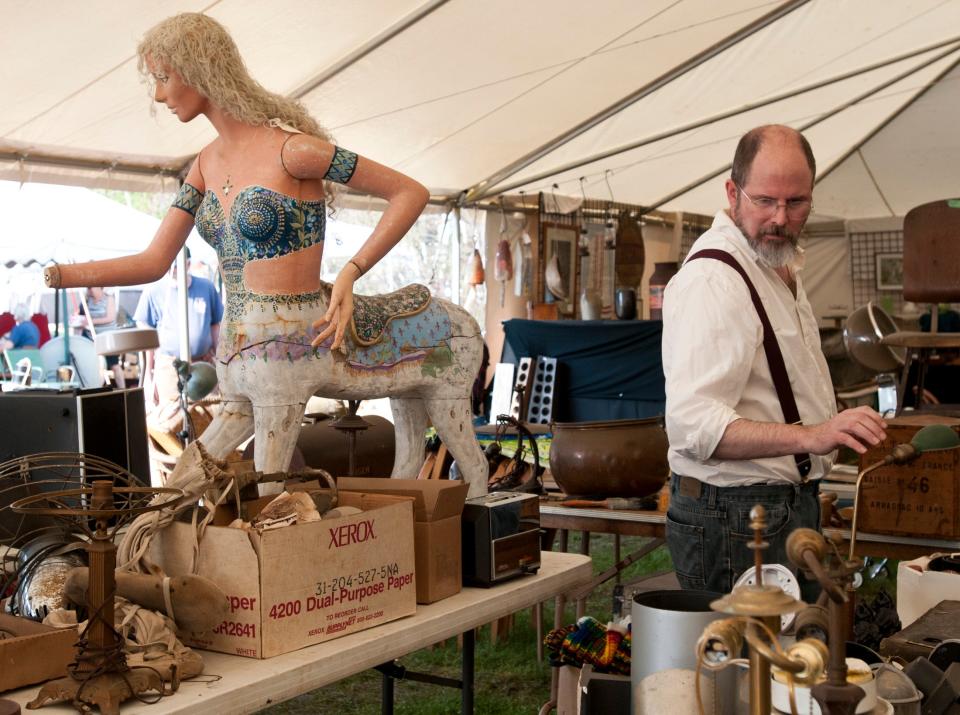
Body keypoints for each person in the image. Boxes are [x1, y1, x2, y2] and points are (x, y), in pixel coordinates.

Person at [41, 13, 430, 465]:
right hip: (237, 343)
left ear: (200, 69)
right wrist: (62, 274)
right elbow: (154, 260)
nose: (159, 94)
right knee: (192, 468)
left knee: (268, 478)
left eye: (165, 77)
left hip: (292, 337)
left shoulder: (294, 150)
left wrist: (350, 272)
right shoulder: (205, 163)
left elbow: (409, 192)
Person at [661, 124, 887, 595]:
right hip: (735, 518)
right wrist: (814, 435)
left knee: (788, 661)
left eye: (796, 202)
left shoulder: (776, 261)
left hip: (779, 506)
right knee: (748, 666)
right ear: (732, 191)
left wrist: (834, 424)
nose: (780, 218)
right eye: (765, 200)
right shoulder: (713, 279)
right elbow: (695, 426)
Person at [135, 248, 223, 407]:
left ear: (187, 264)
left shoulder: (206, 288)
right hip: (169, 366)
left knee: (208, 411)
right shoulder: (154, 291)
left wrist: (220, 359)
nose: (172, 269)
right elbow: (146, 331)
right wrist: (149, 374)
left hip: (203, 364)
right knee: (172, 414)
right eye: (169, 265)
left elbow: (215, 325)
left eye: (176, 265)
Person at [75, 287, 128, 388]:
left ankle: (123, 390)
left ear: (100, 287)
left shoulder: (109, 299)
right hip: (90, 338)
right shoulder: (85, 301)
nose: (89, 290)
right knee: (95, 366)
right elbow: (81, 317)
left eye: (91, 287)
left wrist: (90, 321)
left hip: (107, 339)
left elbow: (110, 317)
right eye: (88, 288)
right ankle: (95, 389)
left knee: (114, 366)